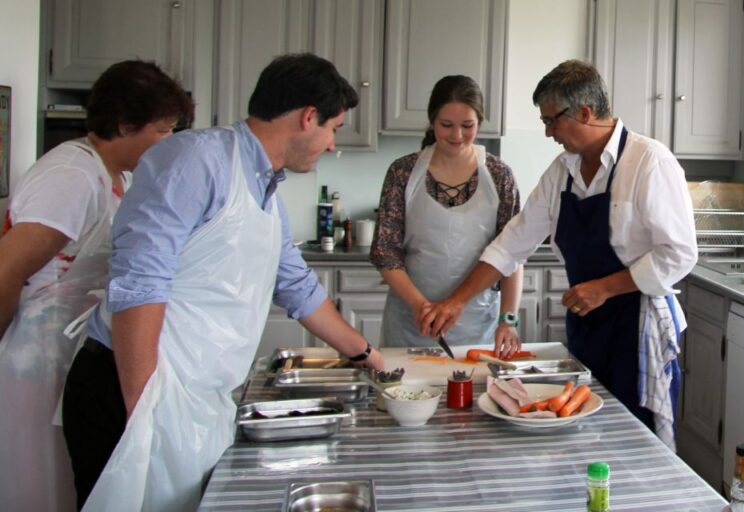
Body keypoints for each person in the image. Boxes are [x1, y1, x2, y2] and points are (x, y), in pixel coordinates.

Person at [62, 53, 385, 512]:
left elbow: (297, 287)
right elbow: (139, 283)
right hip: (129, 385)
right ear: (308, 118)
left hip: (191, 396)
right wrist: (145, 414)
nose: (332, 144)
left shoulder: (266, 192)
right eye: (333, 128)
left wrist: (370, 358)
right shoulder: (196, 159)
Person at [422, 60, 697, 448]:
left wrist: (603, 288)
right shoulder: (562, 171)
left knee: (636, 441)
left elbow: (680, 254)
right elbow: (512, 243)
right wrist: (456, 302)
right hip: (587, 325)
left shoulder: (649, 162)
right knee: (584, 433)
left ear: (585, 112)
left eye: (552, 121)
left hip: (638, 329)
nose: (549, 133)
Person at [0, 61, 192, 511]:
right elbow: (7, 269)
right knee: (42, 486)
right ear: (124, 124)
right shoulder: (71, 176)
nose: (168, 142)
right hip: (38, 355)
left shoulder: (116, 175)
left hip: (73, 353)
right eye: (162, 130)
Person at [371, 75, 524, 351]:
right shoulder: (402, 172)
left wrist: (508, 319)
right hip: (412, 321)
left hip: (477, 324)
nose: (457, 135)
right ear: (432, 121)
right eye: (446, 125)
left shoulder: (500, 175)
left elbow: (512, 252)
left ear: (479, 122)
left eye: (467, 126)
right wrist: (422, 308)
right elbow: (385, 253)